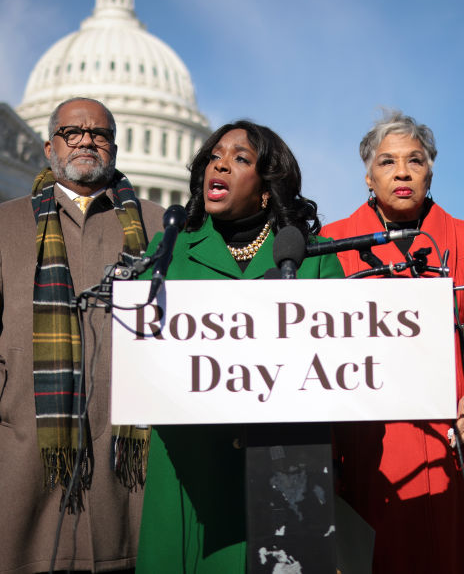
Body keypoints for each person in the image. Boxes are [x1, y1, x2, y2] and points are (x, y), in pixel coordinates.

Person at [0, 97, 165, 573]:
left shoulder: (157, 224)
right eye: (72, 132)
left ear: (115, 147)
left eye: (99, 133)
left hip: (127, 464)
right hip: (29, 456)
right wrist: (7, 396)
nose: (86, 140)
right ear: (49, 146)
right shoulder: (4, 223)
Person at [135, 120, 344, 573]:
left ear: (267, 187)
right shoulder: (167, 251)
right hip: (191, 474)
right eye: (215, 156)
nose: (222, 163)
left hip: (287, 471)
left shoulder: (317, 256)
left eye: (240, 158)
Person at [321, 111, 464, 574]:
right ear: (368, 175)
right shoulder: (330, 242)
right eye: (387, 162)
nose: (402, 172)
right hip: (370, 448)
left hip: (455, 438)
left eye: (414, 161)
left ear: (430, 170)